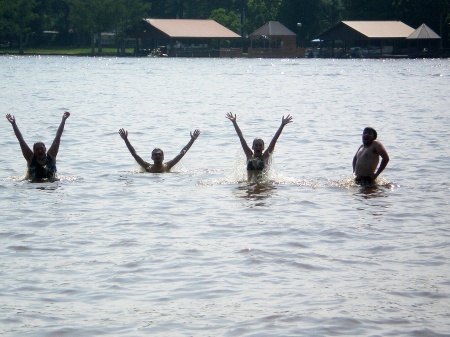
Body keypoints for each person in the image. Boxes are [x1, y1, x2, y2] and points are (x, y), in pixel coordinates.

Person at [226, 112, 293, 182]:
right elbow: (241, 138)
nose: (258, 147)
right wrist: (234, 123)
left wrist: (282, 125)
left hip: (263, 184)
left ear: (263, 147)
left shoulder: (265, 156)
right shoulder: (249, 155)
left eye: (260, 145)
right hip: (249, 185)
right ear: (252, 147)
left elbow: (274, 140)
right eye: (256, 145)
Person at [6, 112, 70, 182]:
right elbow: (20, 140)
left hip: (50, 183)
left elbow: (58, 136)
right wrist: (13, 124)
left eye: (41, 148)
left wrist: (63, 120)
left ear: (45, 149)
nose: (40, 151)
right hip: (34, 183)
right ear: (33, 151)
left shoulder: (51, 156)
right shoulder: (30, 158)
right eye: (37, 149)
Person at [118, 128, 200, 173]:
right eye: (155, 154)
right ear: (152, 157)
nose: (157, 155)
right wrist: (125, 140)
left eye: (159, 154)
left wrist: (192, 140)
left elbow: (182, 153)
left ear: (163, 157)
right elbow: (134, 154)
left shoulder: (168, 166)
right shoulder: (148, 167)